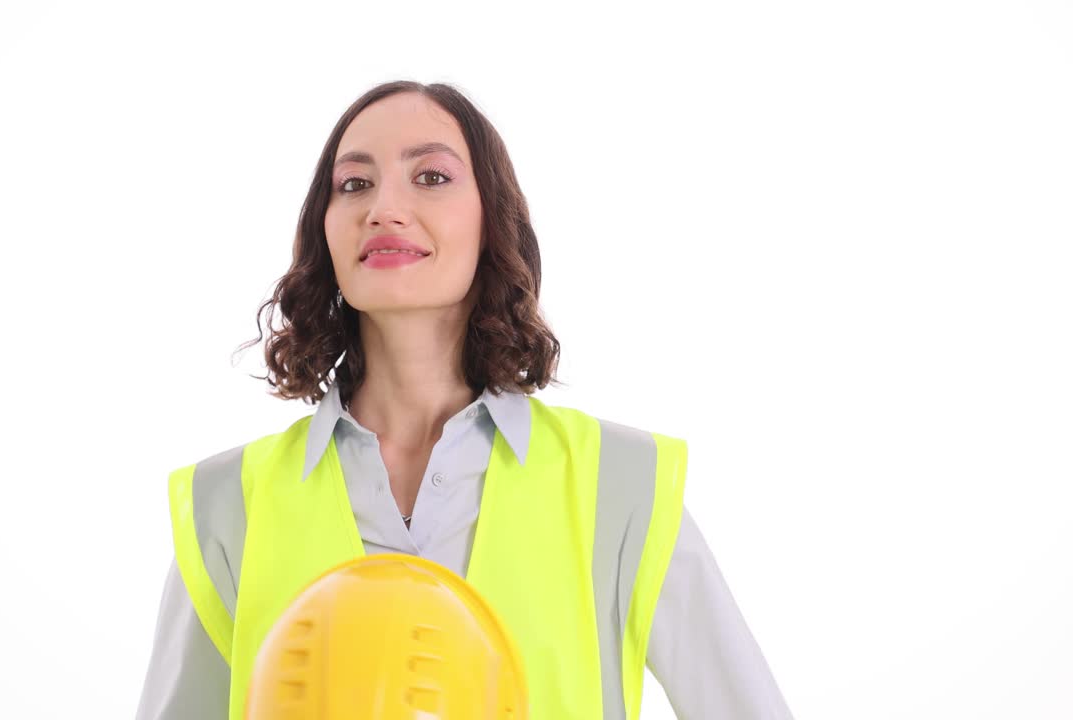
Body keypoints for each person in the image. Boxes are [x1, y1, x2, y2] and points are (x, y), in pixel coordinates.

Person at [135, 80, 793, 719]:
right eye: (354, 184)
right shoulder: (226, 508)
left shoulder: (624, 489)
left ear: (492, 220)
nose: (384, 208)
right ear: (324, 231)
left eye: (431, 177)